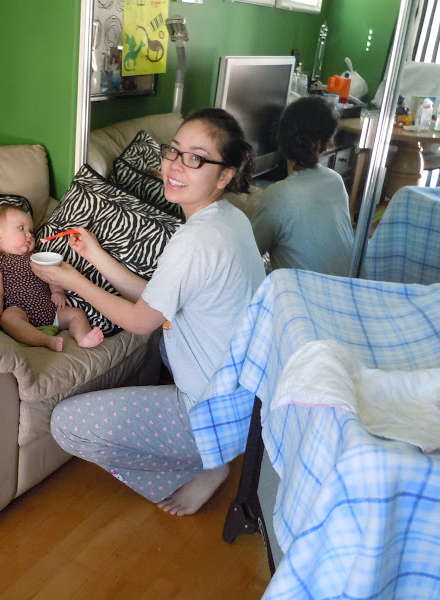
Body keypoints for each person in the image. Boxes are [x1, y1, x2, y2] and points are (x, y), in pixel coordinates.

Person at [31, 108, 266, 515]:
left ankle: (205, 464)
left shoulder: (194, 241)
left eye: (196, 158)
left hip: (211, 413)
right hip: (246, 400)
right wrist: (94, 255)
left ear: (224, 175)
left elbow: (140, 322)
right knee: (164, 341)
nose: (176, 165)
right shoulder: (230, 219)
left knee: (66, 425)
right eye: (173, 151)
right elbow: (156, 301)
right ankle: (211, 455)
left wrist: (73, 280)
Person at [250, 95, 355, 276]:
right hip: (349, 289)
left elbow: (247, 257)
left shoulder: (276, 197)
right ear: (327, 144)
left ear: (280, 140)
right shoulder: (336, 181)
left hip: (306, 293)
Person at [0, 204, 104, 352]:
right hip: (19, 310)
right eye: (21, 228)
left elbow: (52, 276)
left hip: (50, 311)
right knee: (8, 319)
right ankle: (45, 340)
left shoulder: (37, 256)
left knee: (77, 314)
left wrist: (57, 292)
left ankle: (82, 337)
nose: (29, 235)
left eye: (31, 232)